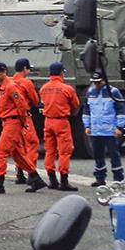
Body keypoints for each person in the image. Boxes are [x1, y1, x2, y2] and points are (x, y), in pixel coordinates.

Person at [0, 62, 48, 195]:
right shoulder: (0, 86)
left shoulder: (11, 86)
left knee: (0, 152)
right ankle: (35, 178)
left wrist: (23, 122)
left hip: (13, 122)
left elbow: (22, 105)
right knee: (17, 155)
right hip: (7, 122)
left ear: (4, 72)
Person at [39, 62, 81, 191]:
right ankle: (64, 181)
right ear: (62, 73)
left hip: (48, 121)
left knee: (50, 151)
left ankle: (52, 180)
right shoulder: (67, 88)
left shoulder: (43, 88)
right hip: (61, 122)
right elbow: (76, 104)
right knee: (64, 151)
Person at [83, 71, 125, 187]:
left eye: (98, 82)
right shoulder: (90, 92)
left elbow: (121, 110)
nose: (96, 84)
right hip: (96, 131)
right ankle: (100, 178)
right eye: (94, 82)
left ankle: (118, 179)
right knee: (98, 155)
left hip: (110, 131)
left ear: (103, 80)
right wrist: (87, 126)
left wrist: (119, 127)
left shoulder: (113, 92)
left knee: (114, 155)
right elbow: (86, 111)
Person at [12, 58, 40, 185]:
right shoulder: (26, 83)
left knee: (18, 146)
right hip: (25, 116)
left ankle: (19, 172)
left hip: (12, 119)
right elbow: (35, 100)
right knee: (32, 144)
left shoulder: (10, 81)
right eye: (28, 68)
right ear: (25, 68)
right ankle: (31, 172)